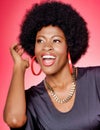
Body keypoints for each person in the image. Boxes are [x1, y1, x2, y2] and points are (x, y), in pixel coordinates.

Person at [3, 1, 100, 130]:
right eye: (40, 41)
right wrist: (19, 68)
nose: (46, 47)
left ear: (69, 46)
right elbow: (14, 120)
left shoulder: (96, 79)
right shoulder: (32, 100)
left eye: (56, 40)